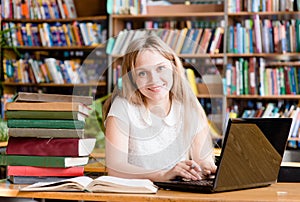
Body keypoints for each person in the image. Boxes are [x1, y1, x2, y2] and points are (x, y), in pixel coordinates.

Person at [103, 32, 217, 182]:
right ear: (131, 79)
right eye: (142, 73)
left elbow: (201, 160)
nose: (154, 80)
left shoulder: (188, 106)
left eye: (160, 68)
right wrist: (162, 175)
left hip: (179, 194)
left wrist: (206, 167)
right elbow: (115, 168)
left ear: (174, 67)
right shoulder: (123, 106)